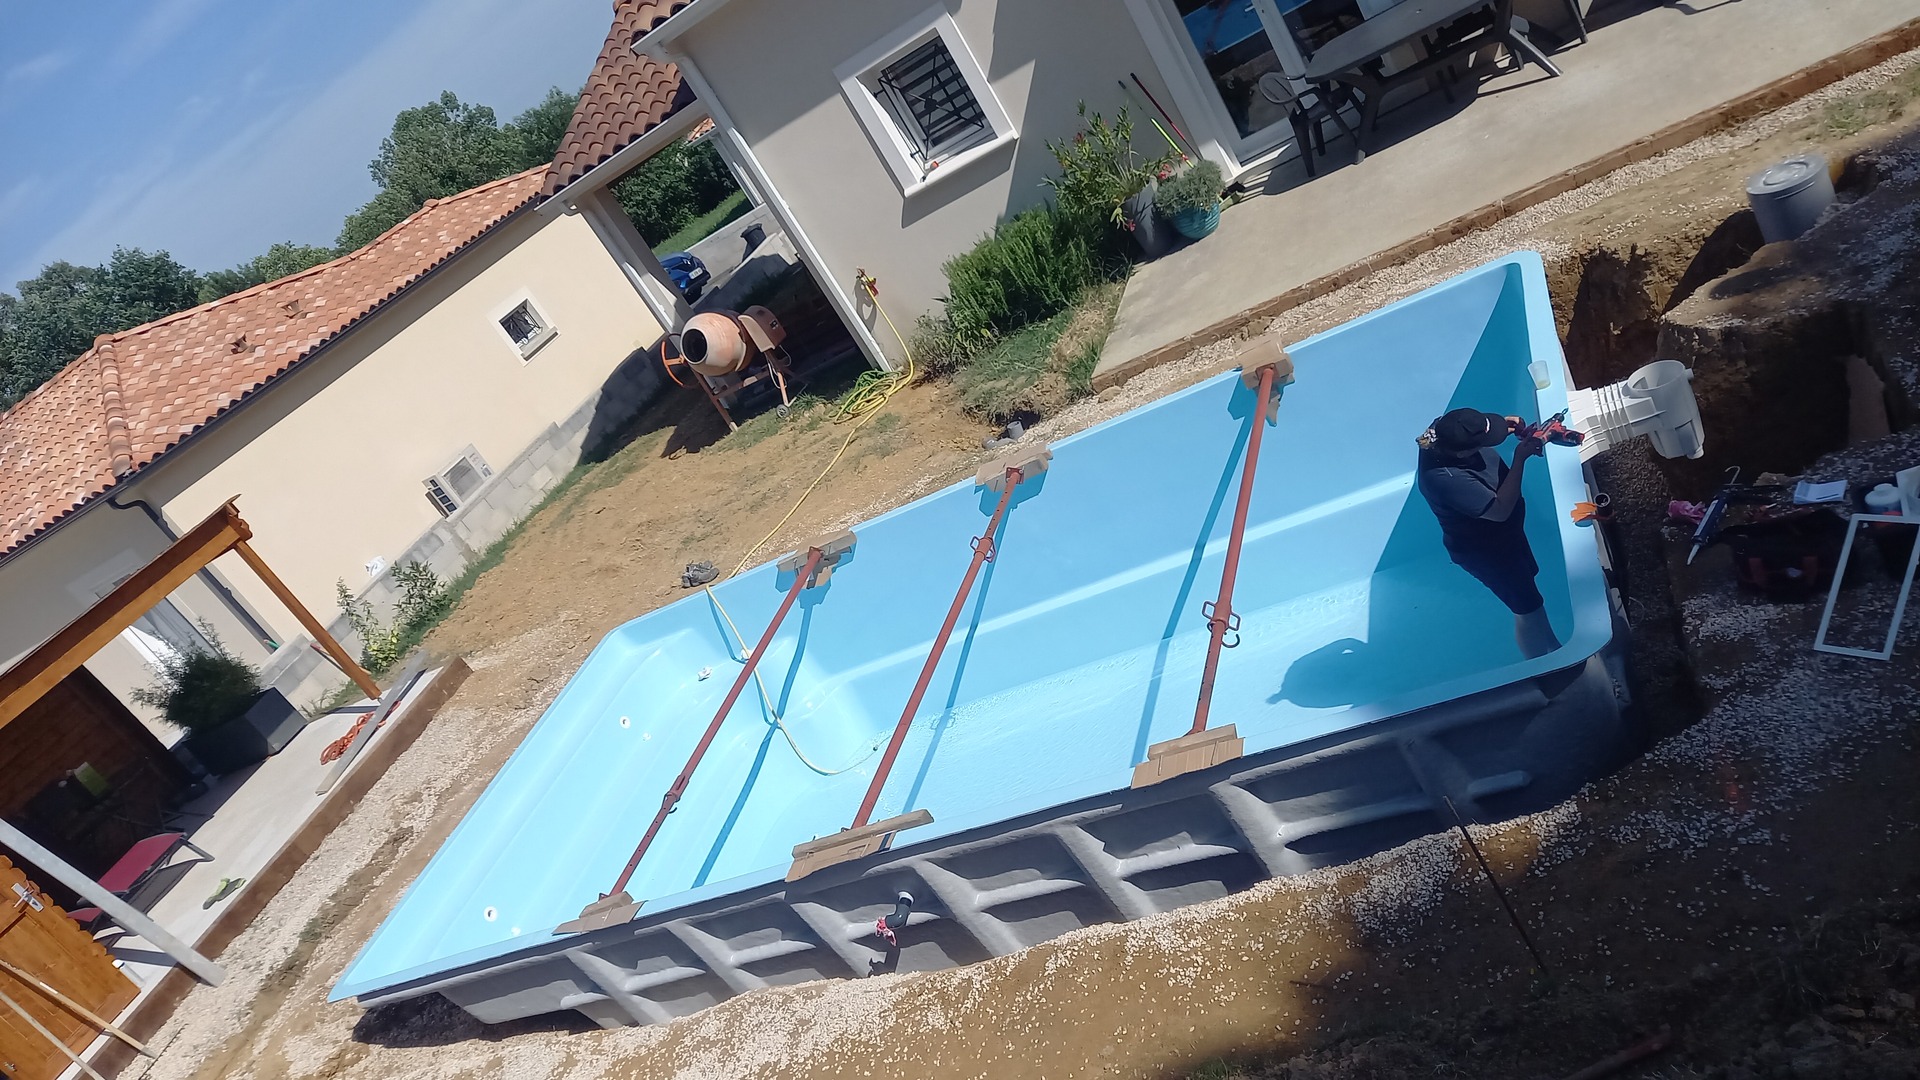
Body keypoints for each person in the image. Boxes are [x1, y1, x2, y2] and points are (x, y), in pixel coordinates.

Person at [1416, 408, 1562, 659]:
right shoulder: (1445, 479)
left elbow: (1464, 423)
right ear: (1462, 453)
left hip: (1506, 536)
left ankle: (1554, 647)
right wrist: (1520, 459)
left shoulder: (1439, 431)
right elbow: (1500, 510)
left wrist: (1497, 424)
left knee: (1533, 599)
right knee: (1527, 611)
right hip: (1488, 553)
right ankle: (1542, 666)